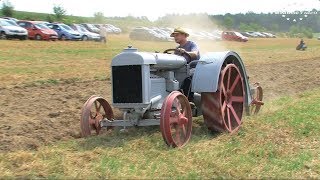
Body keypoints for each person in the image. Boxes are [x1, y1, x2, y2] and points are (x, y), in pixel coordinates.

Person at [170, 27, 200, 102]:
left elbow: (195, 54)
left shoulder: (192, 44)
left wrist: (185, 52)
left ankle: (189, 101)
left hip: (194, 67)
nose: (175, 38)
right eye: (174, 36)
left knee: (188, 79)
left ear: (184, 35)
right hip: (181, 69)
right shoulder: (177, 49)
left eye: (177, 35)